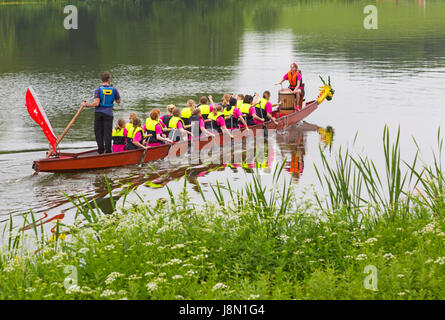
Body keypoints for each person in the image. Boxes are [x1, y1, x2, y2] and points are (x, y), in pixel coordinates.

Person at [82, 72, 121, 154]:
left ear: (101, 80)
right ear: (109, 79)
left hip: (98, 113)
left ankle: (100, 150)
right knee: (107, 133)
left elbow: (96, 103)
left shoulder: (98, 90)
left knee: (98, 132)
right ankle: (108, 151)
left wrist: (86, 105)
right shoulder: (114, 90)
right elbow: (119, 101)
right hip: (108, 113)